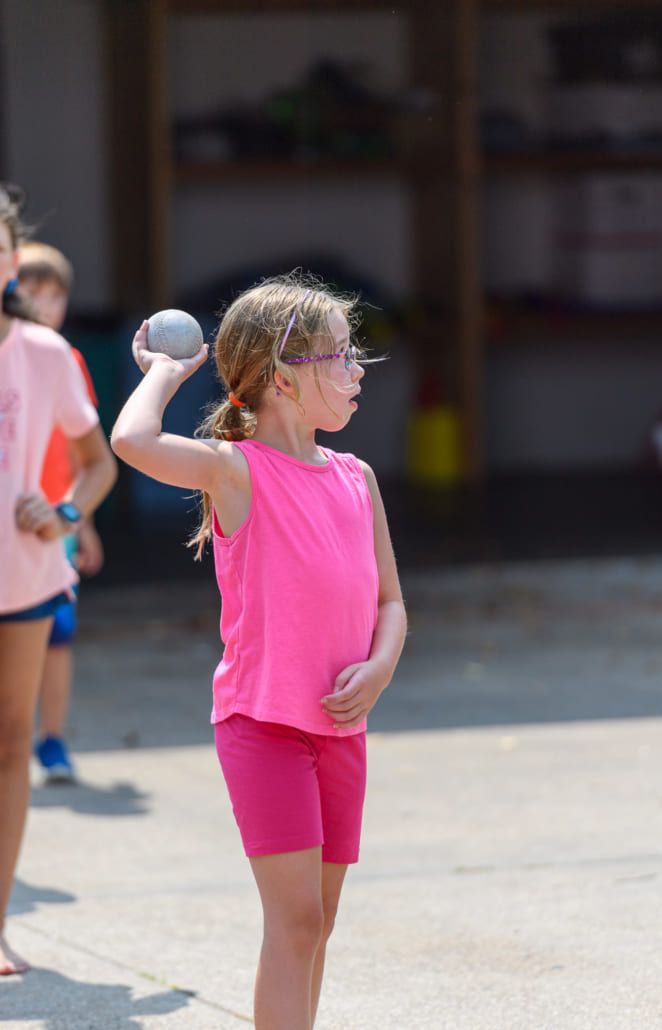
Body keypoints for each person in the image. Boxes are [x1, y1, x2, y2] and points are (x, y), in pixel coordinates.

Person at [111, 274, 407, 1029]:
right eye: (339, 356)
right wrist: (168, 373)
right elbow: (131, 441)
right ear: (282, 379)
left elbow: (391, 606)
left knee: (321, 924)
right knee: (297, 923)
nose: (357, 371)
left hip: (343, 728)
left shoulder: (356, 477)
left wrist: (379, 669)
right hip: (264, 726)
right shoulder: (235, 469)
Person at [0, 183, 117, 975]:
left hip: (27, 578)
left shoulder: (43, 351)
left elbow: (96, 461)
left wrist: (66, 517)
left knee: (11, 745)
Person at [17, 241, 105, 783]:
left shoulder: (65, 360)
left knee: (58, 634)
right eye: (34, 292)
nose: (47, 305)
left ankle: (52, 740)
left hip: (57, 523)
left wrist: (82, 520)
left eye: (57, 295)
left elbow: (87, 454)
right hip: (13, 522)